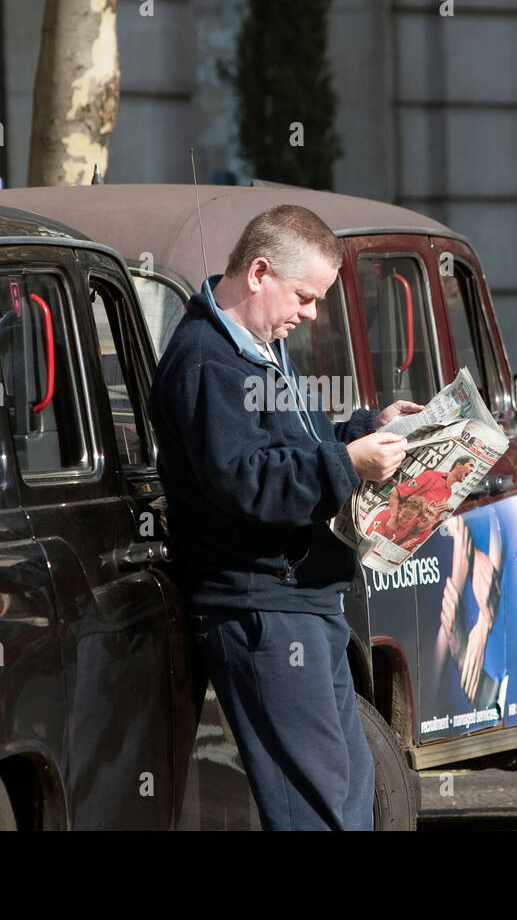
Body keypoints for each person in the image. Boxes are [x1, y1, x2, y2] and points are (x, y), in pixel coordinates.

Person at [148, 204, 422, 830]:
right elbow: (247, 482)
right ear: (259, 273)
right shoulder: (206, 359)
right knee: (315, 805)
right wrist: (350, 462)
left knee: (346, 792)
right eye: (305, 296)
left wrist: (365, 430)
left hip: (301, 602)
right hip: (262, 609)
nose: (310, 314)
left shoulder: (259, 347)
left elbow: (295, 446)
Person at [386, 455, 473, 532]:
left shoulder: (449, 492)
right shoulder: (431, 476)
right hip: (393, 522)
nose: (472, 470)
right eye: (471, 465)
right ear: (458, 465)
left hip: (407, 531)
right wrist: (393, 518)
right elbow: (394, 493)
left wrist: (450, 510)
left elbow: (429, 519)